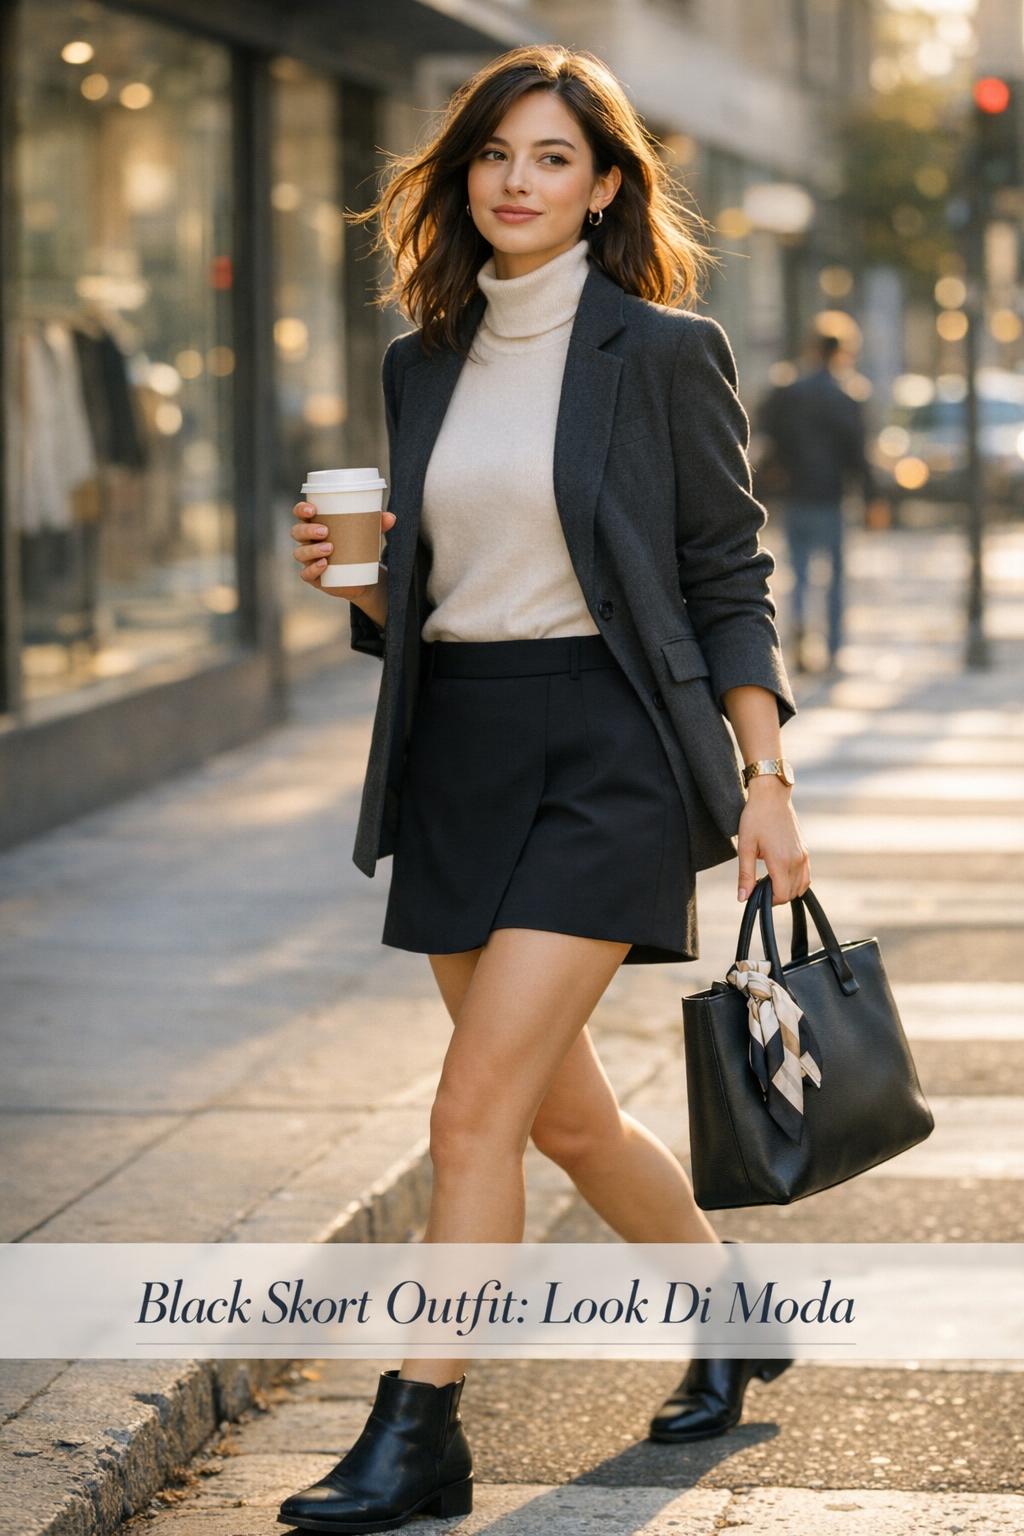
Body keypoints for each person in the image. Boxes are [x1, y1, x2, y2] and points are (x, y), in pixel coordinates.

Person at [281, 43, 811, 1534]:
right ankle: (733, 1314)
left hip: (609, 753)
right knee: (564, 1121)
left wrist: (764, 774)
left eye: (553, 158)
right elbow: (437, 598)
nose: (517, 180)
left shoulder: (662, 351)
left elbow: (727, 576)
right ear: (463, 175)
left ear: (603, 188)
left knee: (471, 1113)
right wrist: (358, 586)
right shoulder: (423, 361)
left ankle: (419, 1434)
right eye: (495, 154)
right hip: (458, 751)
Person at [757, 329, 888, 676]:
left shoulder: (788, 392)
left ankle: (799, 629)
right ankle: (833, 650)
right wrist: (873, 498)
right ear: (843, 352)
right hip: (832, 497)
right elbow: (859, 453)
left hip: (796, 495)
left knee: (798, 574)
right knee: (835, 578)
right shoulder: (848, 396)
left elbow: (768, 441)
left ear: (813, 350)